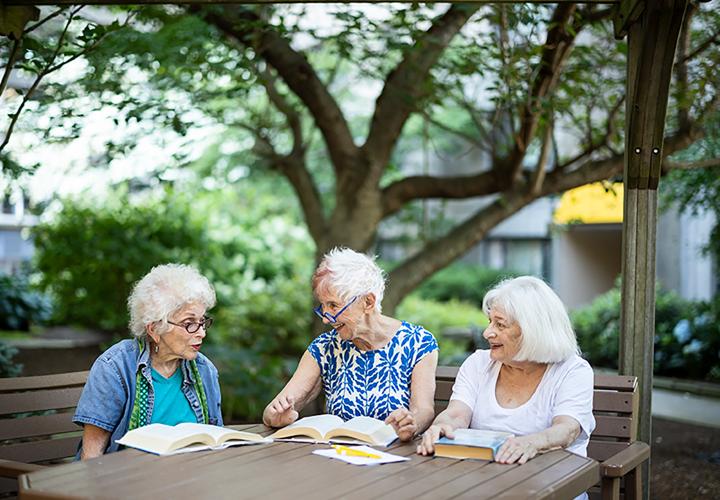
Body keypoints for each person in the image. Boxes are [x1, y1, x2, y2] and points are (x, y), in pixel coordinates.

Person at [263, 247, 439, 441]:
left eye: (333, 305)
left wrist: (411, 423)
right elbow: (274, 409)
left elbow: (423, 409)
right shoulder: (324, 348)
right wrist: (275, 417)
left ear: (368, 302)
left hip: (392, 457)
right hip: (336, 457)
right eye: (322, 306)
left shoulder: (418, 342)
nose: (326, 319)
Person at [418, 276, 595, 466]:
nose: (487, 333)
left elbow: (567, 429)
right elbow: (457, 414)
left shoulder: (573, 371)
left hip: (551, 482)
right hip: (484, 477)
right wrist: (440, 426)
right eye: (490, 322)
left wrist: (533, 443)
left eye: (500, 324)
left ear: (533, 330)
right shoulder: (478, 363)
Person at [73, 263, 223, 459]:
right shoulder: (115, 367)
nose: (201, 333)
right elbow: (92, 457)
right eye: (189, 324)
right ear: (154, 329)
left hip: (191, 479)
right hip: (128, 480)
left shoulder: (205, 370)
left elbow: (216, 439)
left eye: (202, 322)